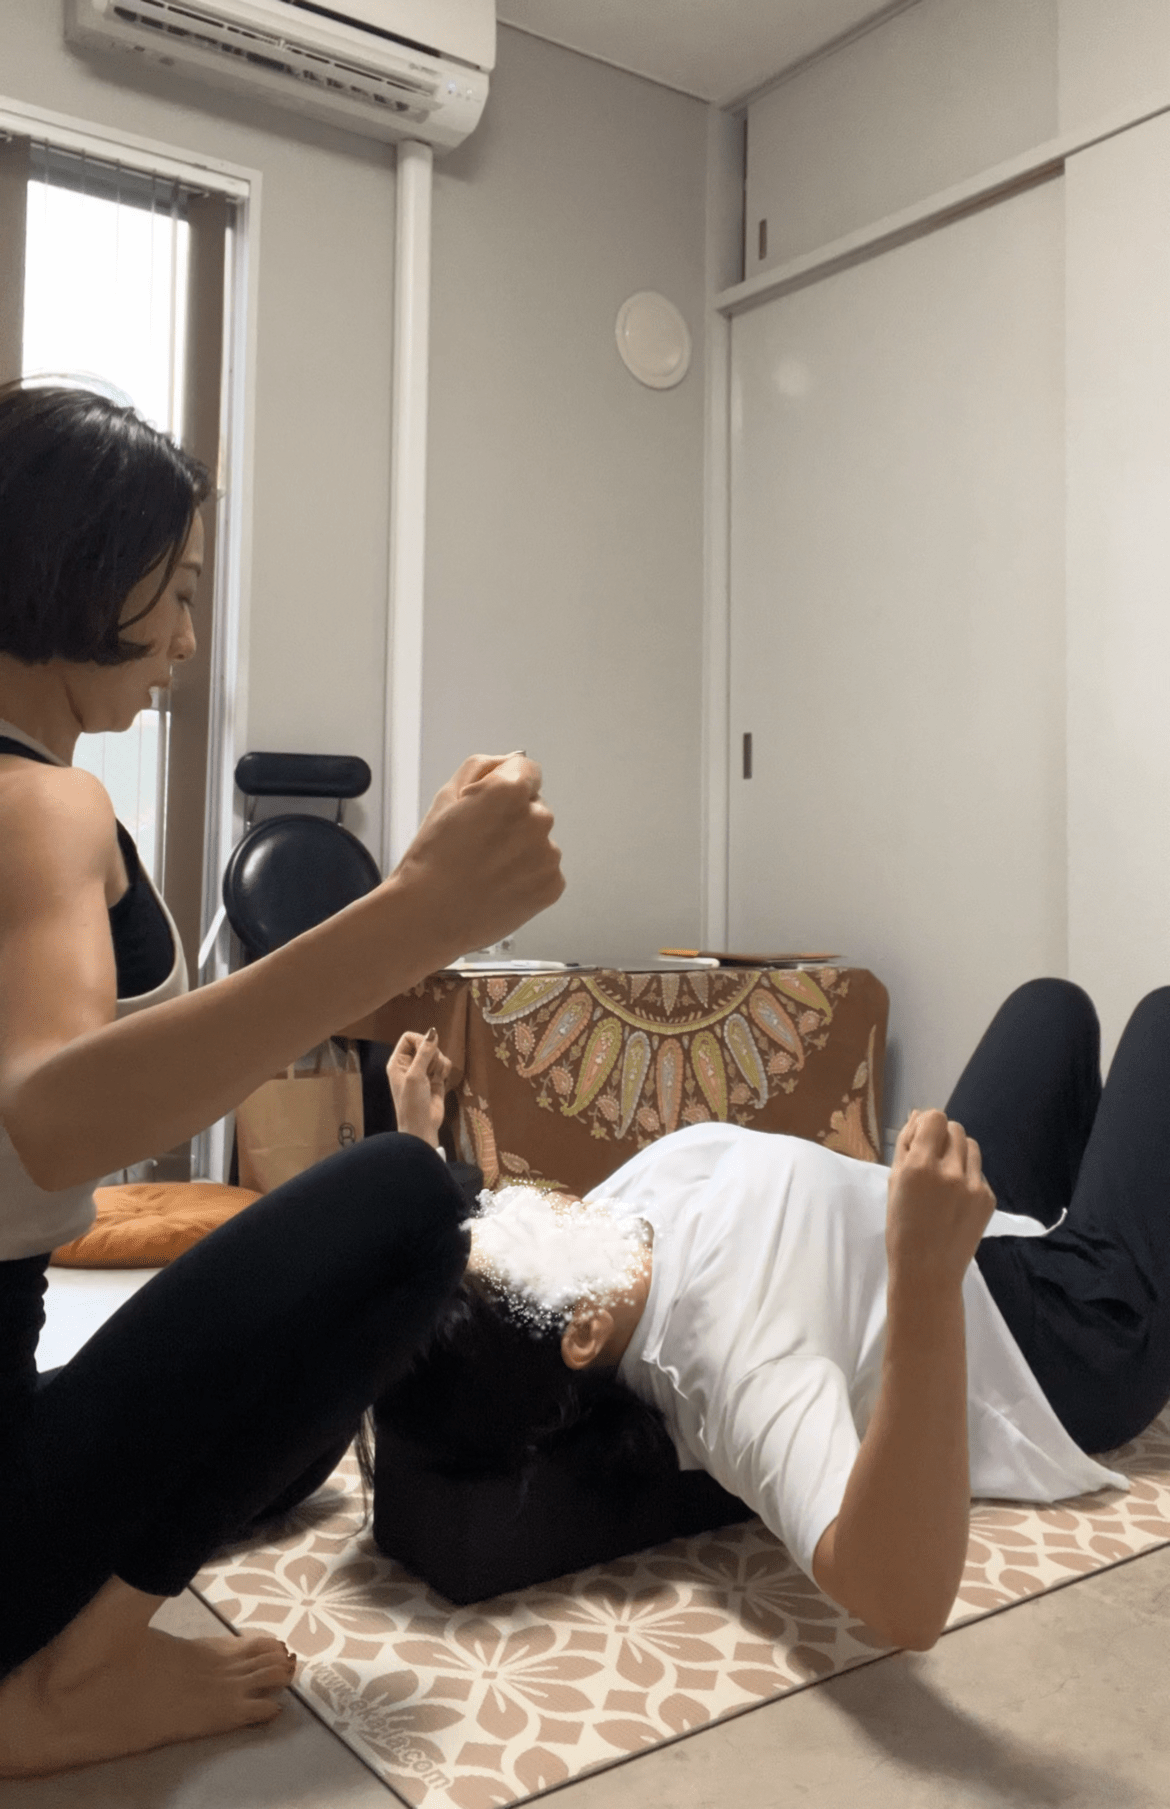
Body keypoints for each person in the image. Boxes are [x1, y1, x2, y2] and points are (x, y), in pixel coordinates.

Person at [0, 381, 564, 1778]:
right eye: (179, 589)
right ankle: (67, 1682)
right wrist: (418, 908)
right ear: (79, 562)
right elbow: (59, 1111)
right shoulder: (40, 801)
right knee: (406, 1202)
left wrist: (411, 945)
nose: (189, 640)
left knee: (297, 1439)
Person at [378, 977, 1170, 1653]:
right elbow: (902, 1602)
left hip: (966, 1225)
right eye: (502, 1233)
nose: (506, 1200)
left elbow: (466, 1309)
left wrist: (419, 1141)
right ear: (581, 1332)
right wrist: (924, 1277)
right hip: (1066, 1332)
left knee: (1051, 1006)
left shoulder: (603, 1242)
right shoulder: (733, 1364)